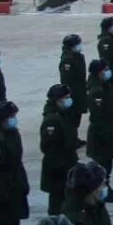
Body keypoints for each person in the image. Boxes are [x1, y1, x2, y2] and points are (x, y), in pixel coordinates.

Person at [84, 60, 113, 203]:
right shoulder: (97, 91)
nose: (108, 72)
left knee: (107, 162)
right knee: (102, 163)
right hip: (101, 132)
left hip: (108, 128)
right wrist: (104, 132)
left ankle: (105, 186)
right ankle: (99, 189)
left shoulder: (104, 86)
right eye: (105, 69)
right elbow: (98, 115)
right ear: (98, 73)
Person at [40, 84, 79, 215]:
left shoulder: (63, 114)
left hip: (66, 163)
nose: (69, 100)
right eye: (66, 97)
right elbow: (48, 147)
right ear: (57, 100)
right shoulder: (52, 120)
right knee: (57, 202)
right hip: (58, 169)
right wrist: (62, 164)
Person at [58, 35, 87, 137]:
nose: (80, 46)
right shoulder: (68, 60)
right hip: (73, 92)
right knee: (72, 117)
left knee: (77, 115)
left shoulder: (77, 56)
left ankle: (74, 136)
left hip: (80, 90)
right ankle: (71, 137)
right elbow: (66, 79)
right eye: (78, 44)